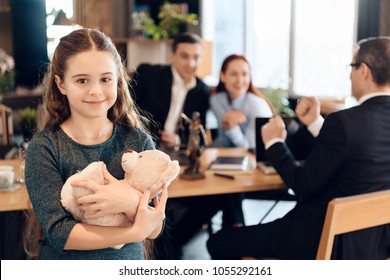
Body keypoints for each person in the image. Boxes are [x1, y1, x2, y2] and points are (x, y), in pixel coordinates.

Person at [207, 36, 390, 260]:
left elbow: (302, 184)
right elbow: (353, 150)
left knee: (218, 242)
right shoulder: (349, 125)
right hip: (373, 246)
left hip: (319, 240)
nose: (349, 75)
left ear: (364, 71)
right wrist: (315, 122)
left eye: (351, 67)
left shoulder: (344, 121)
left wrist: (274, 143)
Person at [23, 28, 167, 260]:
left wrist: (128, 201)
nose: (95, 91)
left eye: (105, 79)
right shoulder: (45, 147)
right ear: (61, 84)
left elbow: (154, 226)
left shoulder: (138, 141)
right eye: (82, 80)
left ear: (117, 80)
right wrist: (132, 231)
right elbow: (60, 233)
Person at [131, 32, 210, 150]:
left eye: (196, 57)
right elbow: (124, 108)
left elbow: (199, 134)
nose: (191, 63)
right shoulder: (148, 74)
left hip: (177, 155)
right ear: (172, 56)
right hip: (140, 148)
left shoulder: (202, 90)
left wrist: (178, 140)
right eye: (185, 56)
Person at [210, 54, 274, 149]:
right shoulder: (217, 100)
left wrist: (232, 127)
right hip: (228, 153)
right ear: (223, 76)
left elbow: (250, 149)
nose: (240, 80)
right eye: (234, 74)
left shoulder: (257, 106)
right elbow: (224, 141)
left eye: (244, 74)